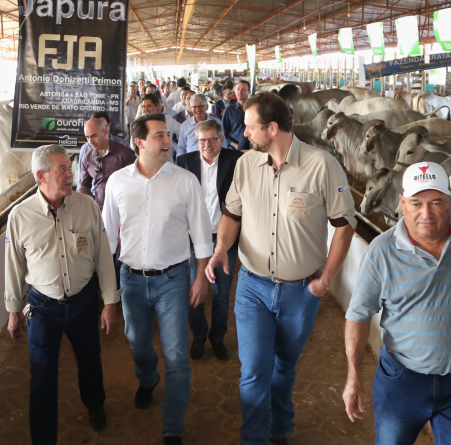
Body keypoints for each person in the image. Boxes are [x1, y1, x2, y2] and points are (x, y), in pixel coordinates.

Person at [206, 91, 357, 445]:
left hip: (300, 291)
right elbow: (231, 215)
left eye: (250, 127)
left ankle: (280, 429)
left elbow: (345, 225)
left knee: (284, 367)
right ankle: (256, 439)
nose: (244, 134)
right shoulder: (245, 166)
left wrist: (326, 280)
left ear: (272, 128)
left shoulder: (321, 165)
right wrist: (219, 250)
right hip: (253, 287)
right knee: (254, 372)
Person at [342, 162, 451, 445]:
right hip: (402, 380)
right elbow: (358, 315)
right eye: (416, 203)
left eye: (436, 202)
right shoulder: (382, 251)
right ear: (402, 203)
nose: (426, 213)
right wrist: (353, 375)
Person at [103, 113, 213, 445]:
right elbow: (108, 238)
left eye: (168, 135)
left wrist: (201, 279)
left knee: (177, 354)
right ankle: (148, 377)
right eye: (159, 136)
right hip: (132, 280)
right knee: (137, 342)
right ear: (139, 142)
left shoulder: (185, 181)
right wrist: (107, 290)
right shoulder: (117, 182)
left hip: (174, 279)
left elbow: (202, 234)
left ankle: (173, 426)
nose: (167, 141)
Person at [4, 145, 119, 445]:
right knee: (42, 376)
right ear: (41, 176)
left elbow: (102, 257)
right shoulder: (21, 216)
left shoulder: (87, 206)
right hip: (43, 308)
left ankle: (95, 405)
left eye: (70, 167)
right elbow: (14, 264)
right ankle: (43, 438)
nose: (71, 174)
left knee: (90, 361)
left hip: (83, 302)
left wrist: (109, 302)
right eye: (62, 170)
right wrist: (14, 309)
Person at [176, 119, 242, 361]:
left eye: (212, 139)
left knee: (222, 293)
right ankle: (199, 335)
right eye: (202, 140)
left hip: (225, 236)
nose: (207, 145)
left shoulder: (235, 161)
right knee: (196, 290)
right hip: (195, 238)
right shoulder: (184, 162)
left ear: (221, 139)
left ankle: (217, 338)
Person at [78, 116, 136, 209]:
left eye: (94, 136)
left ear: (105, 132)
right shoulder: (87, 158)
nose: (90, 141)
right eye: (87, 137)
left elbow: (136, 182)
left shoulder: (124, 153)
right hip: (99, 209)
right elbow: (84, 187)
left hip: (123, 209)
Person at [222, 79, 251, 151]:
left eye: (243, 89)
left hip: (252, 149)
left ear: (249, 92)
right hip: (235, 149)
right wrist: (235, 145)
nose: (240, 92)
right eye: (238, 89)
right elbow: (223, 132)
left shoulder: (254, 110)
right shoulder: (229, 110)